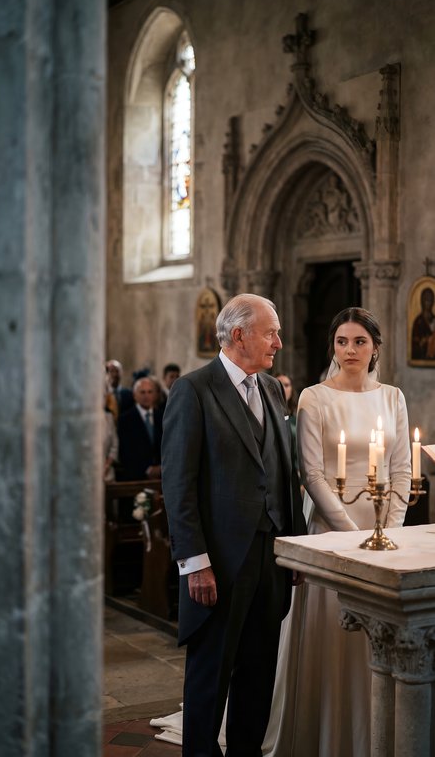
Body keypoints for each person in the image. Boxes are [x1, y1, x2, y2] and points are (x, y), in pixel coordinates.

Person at [161, 293, 306, 757]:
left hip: (270, 558)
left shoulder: (271, 389)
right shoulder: (194, 391)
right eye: (271, 332)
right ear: (239, 334)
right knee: (210, 678)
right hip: (219, 563)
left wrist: (294, 549)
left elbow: (285, 473)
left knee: (259, 673)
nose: (278, 342)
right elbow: (178, 485)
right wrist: (194, 563)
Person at [264, 307, 411, 757]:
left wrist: (391, 526)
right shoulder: (314, 397)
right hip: (331, 532)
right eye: (342, 341)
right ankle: (325, 735)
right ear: (333, 346)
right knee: (335, 635)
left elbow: (402, 468)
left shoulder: (393, 397)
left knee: (379, 635)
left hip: (385, 530)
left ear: (375, 349)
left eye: (359, 342)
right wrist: (351, 538)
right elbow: (312, 474)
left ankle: (376, 735)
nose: (350, 350)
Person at [411, 287, 435, 360]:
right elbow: (415, 343)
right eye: (426, 299)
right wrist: (424, 341)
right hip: (422, 354)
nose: (428, 302)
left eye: (430, 299)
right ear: (422, 301)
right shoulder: (418, 321)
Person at [274, 373, 298, 442]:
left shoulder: (298, 414)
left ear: (291, 389)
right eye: (278, 384)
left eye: (286, 385)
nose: (282, 388)